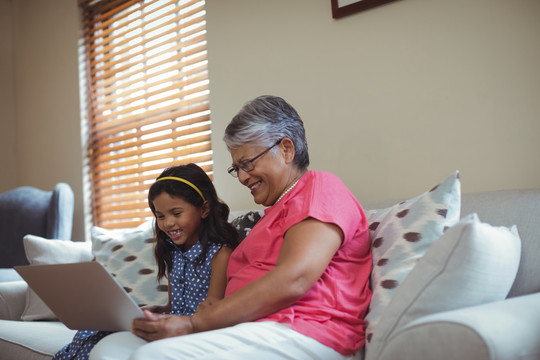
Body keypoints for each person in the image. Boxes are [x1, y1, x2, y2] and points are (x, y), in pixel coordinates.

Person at [89, 95, 372, 360]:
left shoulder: (320, 188)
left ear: (286, 149)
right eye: (237, 168)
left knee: (151, 357)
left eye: (247, 163)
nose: (242, 177)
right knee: (110, 349)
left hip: (306, 330)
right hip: (249, 328)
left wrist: (194, 323)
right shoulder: (268, 218)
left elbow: (294, 279)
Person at [54, 163, 238, 360]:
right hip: (170, 325)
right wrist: (157, 310)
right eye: (160, 216)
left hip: (192, 333)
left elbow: (212, 314)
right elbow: (173, 305)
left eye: (176, 213)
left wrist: (169, 320)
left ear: (204, 209)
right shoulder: (173, 252)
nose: (167, 223)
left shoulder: (220, 255)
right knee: (90, 332)